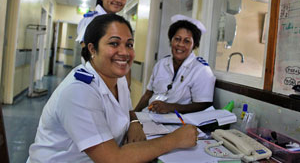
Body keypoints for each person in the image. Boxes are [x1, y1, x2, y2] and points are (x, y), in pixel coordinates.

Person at [27, 14, 199, 163]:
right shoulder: (79, 91)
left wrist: (134, 122)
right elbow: (112, 159)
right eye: (114, 44)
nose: (124, 52)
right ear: (92, 49)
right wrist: (174, 140)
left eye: (129, 44)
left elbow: (125, 109)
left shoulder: (118, 78)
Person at [135, 14, 216, 114]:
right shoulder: (161, 64)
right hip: (149, 115)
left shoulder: (201, 70)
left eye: (187, 41)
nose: (180, 44)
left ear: (194, 45)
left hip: (176, 123)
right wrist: (135, 113)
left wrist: (171, 107)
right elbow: (148, 94)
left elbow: (204, 105)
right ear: (171, 40)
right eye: (177, 39)